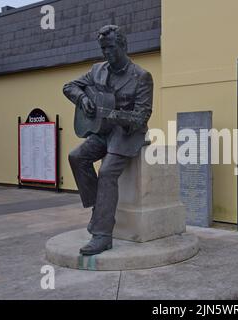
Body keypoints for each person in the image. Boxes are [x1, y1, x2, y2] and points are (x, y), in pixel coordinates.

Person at [63, 25, 153, 255]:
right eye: (103, 49)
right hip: (102, 131)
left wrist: (114, 115)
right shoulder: (97, 70)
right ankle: (99, 208)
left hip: (126, 134)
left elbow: (142, 116)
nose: (106, 53)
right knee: (76, 157)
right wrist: (83, 99)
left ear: (123, 46)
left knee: (106, 172)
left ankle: (102, 235)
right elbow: (69, 87)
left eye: (110, 48)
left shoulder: (141, 76)